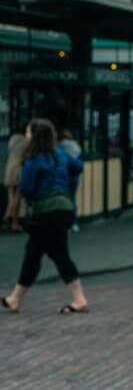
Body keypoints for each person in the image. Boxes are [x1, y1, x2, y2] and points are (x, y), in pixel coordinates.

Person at [2, 119, 88, 314]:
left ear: (34, 136)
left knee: (58, 254)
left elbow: (27, 189)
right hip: (64, 208)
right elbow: (79, 167)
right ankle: (14, 298)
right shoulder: (60, 154)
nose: (26, 136)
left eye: (28, 133)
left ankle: (79, 298)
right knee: (33, 253)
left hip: (46, 213)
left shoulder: (33, 160)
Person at [2, 124, 29, 233]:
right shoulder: (26, 142)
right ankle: (6, 217)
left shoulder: (12, 140)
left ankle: (14, 223)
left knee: (12, 196)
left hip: (9, 168)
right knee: (17, 196)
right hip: (19, 169)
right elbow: (28, 155)